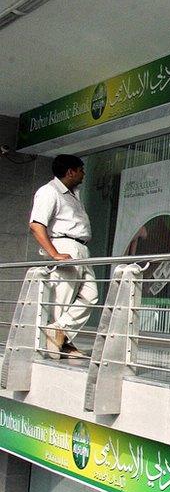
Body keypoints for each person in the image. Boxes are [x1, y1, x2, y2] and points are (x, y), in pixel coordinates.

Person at [28, 154, 98, 360]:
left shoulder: (72, 194)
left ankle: (59, 332)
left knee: (90, 295)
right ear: (70, 172)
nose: (84, 174)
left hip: (81, 248)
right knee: (63, 299)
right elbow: (36, 224)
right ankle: (59, 344)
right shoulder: (49, 191)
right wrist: (54, 253)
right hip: (64, 244)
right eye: (81, 170)